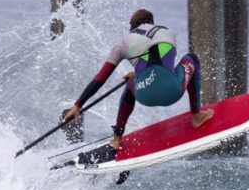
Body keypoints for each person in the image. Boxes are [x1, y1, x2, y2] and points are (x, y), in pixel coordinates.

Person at [64, 9, 214, 149]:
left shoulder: (122, 45)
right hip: (173, 92)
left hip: (144, 95)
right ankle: (197, 115)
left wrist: (78, 106)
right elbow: (161, 66)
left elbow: (100, 79)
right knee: (192, 59)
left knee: (130, 84)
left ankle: (116, 138)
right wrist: (139, 72)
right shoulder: (169, 32)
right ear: (151, 22)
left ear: (132, 27)